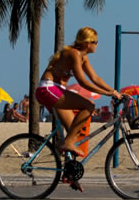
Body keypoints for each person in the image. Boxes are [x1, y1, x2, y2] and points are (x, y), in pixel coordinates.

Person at [35, 27, 123, 157]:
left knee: (74, 133)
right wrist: (107, 93)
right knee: (89, 105)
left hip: (57, 90)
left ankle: (68, 174)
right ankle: (67, 144)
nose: (97, 45)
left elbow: (95, 78)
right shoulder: (73, 53)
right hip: (48, 88)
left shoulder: (83, 57)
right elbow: (82, 81)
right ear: (88, 43)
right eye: (96, 42)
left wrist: (114, 91)